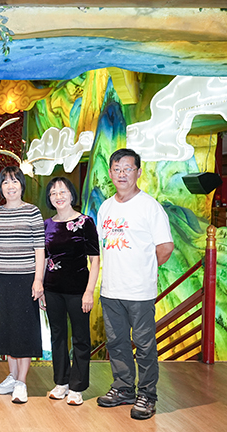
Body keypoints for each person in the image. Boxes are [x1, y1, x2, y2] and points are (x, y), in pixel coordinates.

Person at [96, 148, 174, 420]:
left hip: (139, 292)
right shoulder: (106, 207)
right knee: (116, 343)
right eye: (117, 169)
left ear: (138, 172)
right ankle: (123, 388)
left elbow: (165, 247)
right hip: (111, 289)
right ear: (110, 173)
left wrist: (144, 269)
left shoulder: (149, 206)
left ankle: (147, 395)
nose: (122, 174)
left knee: (144, 345)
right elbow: (100, 246)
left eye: (127, 169)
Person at [0, 165, 45, 404]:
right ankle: (11, 376)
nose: (10, 186)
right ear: (1, 187)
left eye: (14, 181)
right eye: (5, 182)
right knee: (7, 330)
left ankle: (21, 381)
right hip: (1, 279)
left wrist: (38, 280)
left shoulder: (32, 212)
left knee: (24, 331)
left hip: (25, 279)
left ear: (22, 185)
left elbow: (39, 248)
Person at [43, 177, 100, 406]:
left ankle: (77, 387)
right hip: (52, 289)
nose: (58, 196)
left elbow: (95, 260)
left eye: (62, 192)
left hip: (78, 290)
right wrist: (41, 288)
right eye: (53, 193)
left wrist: (89, 291)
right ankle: (61, 382)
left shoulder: (85, 222)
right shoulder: (47, 224)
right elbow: (44, 258)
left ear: (71, 194)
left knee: (80, 338)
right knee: (57, 336)